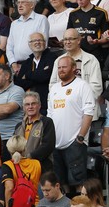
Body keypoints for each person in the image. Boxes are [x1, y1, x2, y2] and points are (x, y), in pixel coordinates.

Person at [47, 58, 94, 194]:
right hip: (56, 144)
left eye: (64, 67)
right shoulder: (54, 88)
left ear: (74, 68)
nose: (61, 70)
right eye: (59, 67)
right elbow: (50, 115)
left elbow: (88, 113)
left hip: (75, 143)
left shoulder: (82, 86)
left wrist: (80, 137)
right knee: (61, 184)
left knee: (79, 182)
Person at [13, 91, 55, 175]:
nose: (30, 107)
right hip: (22, 169)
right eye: (27, 104)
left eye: (33, 103)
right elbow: (13, 147)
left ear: (39, 105)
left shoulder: (47, 122)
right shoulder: (18, 126)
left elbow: (48, 146)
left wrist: (29, 157)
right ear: (24, 108)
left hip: (42, 169)